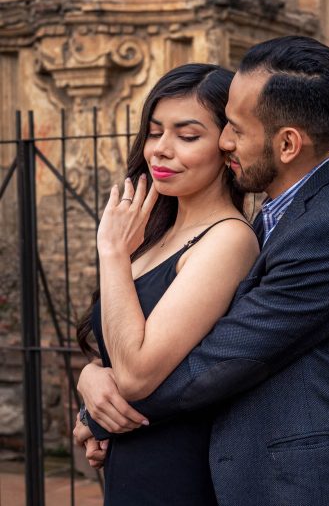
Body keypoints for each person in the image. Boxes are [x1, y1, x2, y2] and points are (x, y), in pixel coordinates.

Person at [75, 36, 329, 505]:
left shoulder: (328, 232)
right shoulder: (281, 215)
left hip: (308, 488)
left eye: (235, 129)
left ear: (287, 144)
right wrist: (93, 375)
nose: (226, 141)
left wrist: (99, 410)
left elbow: (211, 367)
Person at [74, 63, 260, 504]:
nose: (160, 149)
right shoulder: (155, 233)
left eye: (187, 135)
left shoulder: (229, 240)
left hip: (179, 470)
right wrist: (90, 378)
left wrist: (113, 253)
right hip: (130, 462)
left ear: (226, 144)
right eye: (154, 132)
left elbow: (137, 373)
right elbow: (117, 350)